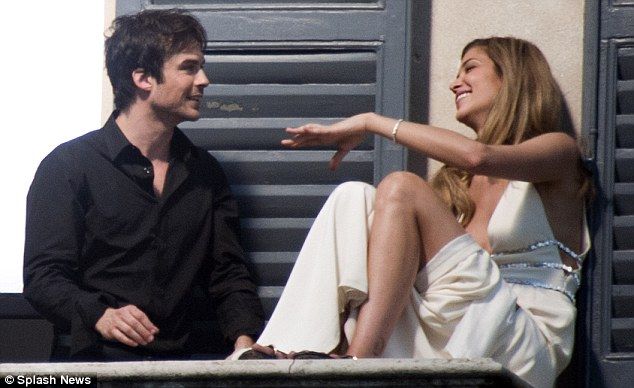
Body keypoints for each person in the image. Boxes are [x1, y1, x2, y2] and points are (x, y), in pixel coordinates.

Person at [235, 37, 591, 388]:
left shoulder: (557, 153)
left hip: (521, 339)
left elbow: (477, 156)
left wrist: (371, 122)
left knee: (402, 187)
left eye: (470, 68)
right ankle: (295, 345)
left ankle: (359, 360)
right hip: (450, 327)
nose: (455, 83)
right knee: (353, 196)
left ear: (511, 77)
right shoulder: (454, 183)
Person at [23, 9, 264, 361]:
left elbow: (227, 273)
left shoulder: (206, 173)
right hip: (93, 368)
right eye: (189, 67)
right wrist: (101, 316)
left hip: (182, 371)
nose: (204, 80)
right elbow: (43, 278)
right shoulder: (68, 166)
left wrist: (244, 344)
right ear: (143, 78)